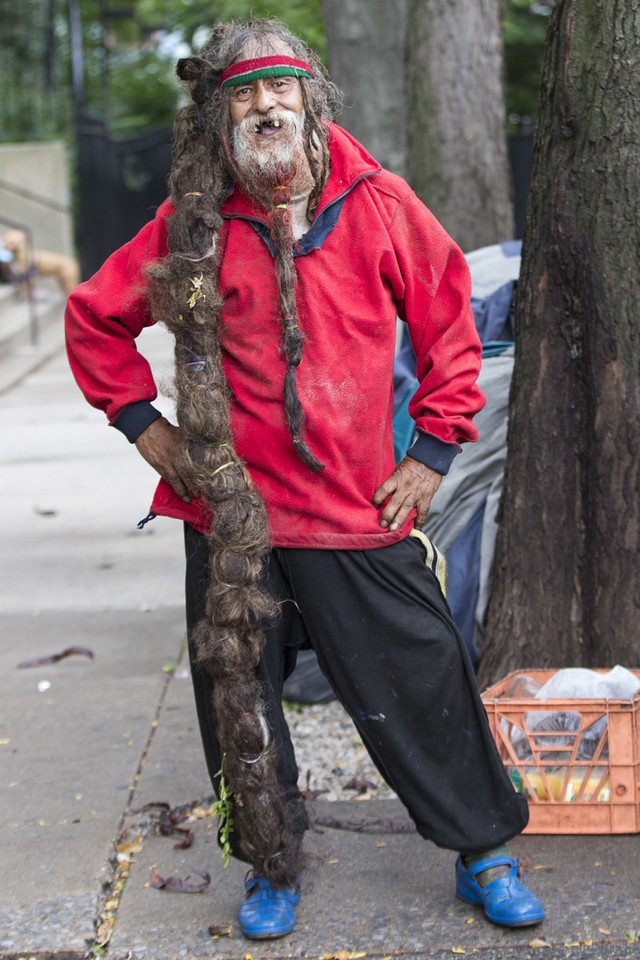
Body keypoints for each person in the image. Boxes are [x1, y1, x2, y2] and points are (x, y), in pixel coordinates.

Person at [65, 18, 544, 941]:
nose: (263, 105)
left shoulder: (378, 202)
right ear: (220, 114)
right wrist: (142, 425)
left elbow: (450, 330)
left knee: (425, 676)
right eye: (242, 92)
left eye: (279, 87)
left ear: (311, 99)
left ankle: (485, 850)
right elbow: (96, 319)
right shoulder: (192, 226)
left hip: (353, 507)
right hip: (232, 518)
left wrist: (432, 452)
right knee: (235, 696)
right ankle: (270, 863)